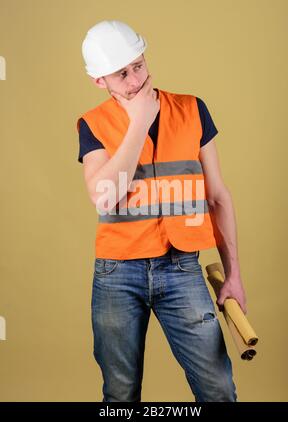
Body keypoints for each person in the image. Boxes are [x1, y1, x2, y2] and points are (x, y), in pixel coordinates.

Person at [76, 20, 246, 402]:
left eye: (138, 65)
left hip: (182, 268)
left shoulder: (192, 109)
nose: (135, 78)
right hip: (118, 273)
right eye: (121, 73)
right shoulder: (93, 124)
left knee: (218, 389)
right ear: (99, 80)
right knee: (120, 394)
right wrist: (140, 121)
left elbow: (218, 196)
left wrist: (233, 274)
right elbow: (105, 197)